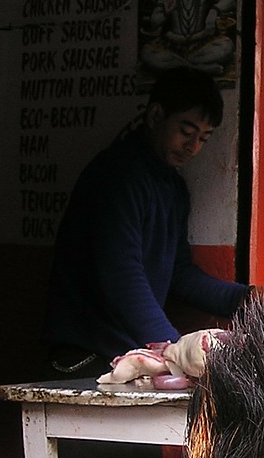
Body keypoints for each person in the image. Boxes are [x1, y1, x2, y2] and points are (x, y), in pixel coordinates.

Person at [42, 66, 249, 377]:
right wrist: (178, 350)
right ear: (155, 116)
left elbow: (179, 273)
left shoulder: (173, 188)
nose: (192, 147)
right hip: (85, 353)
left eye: (203, 138)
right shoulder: (117, 175)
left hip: (128, 350)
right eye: (186, 132)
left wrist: (244, 298)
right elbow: (120, 272)